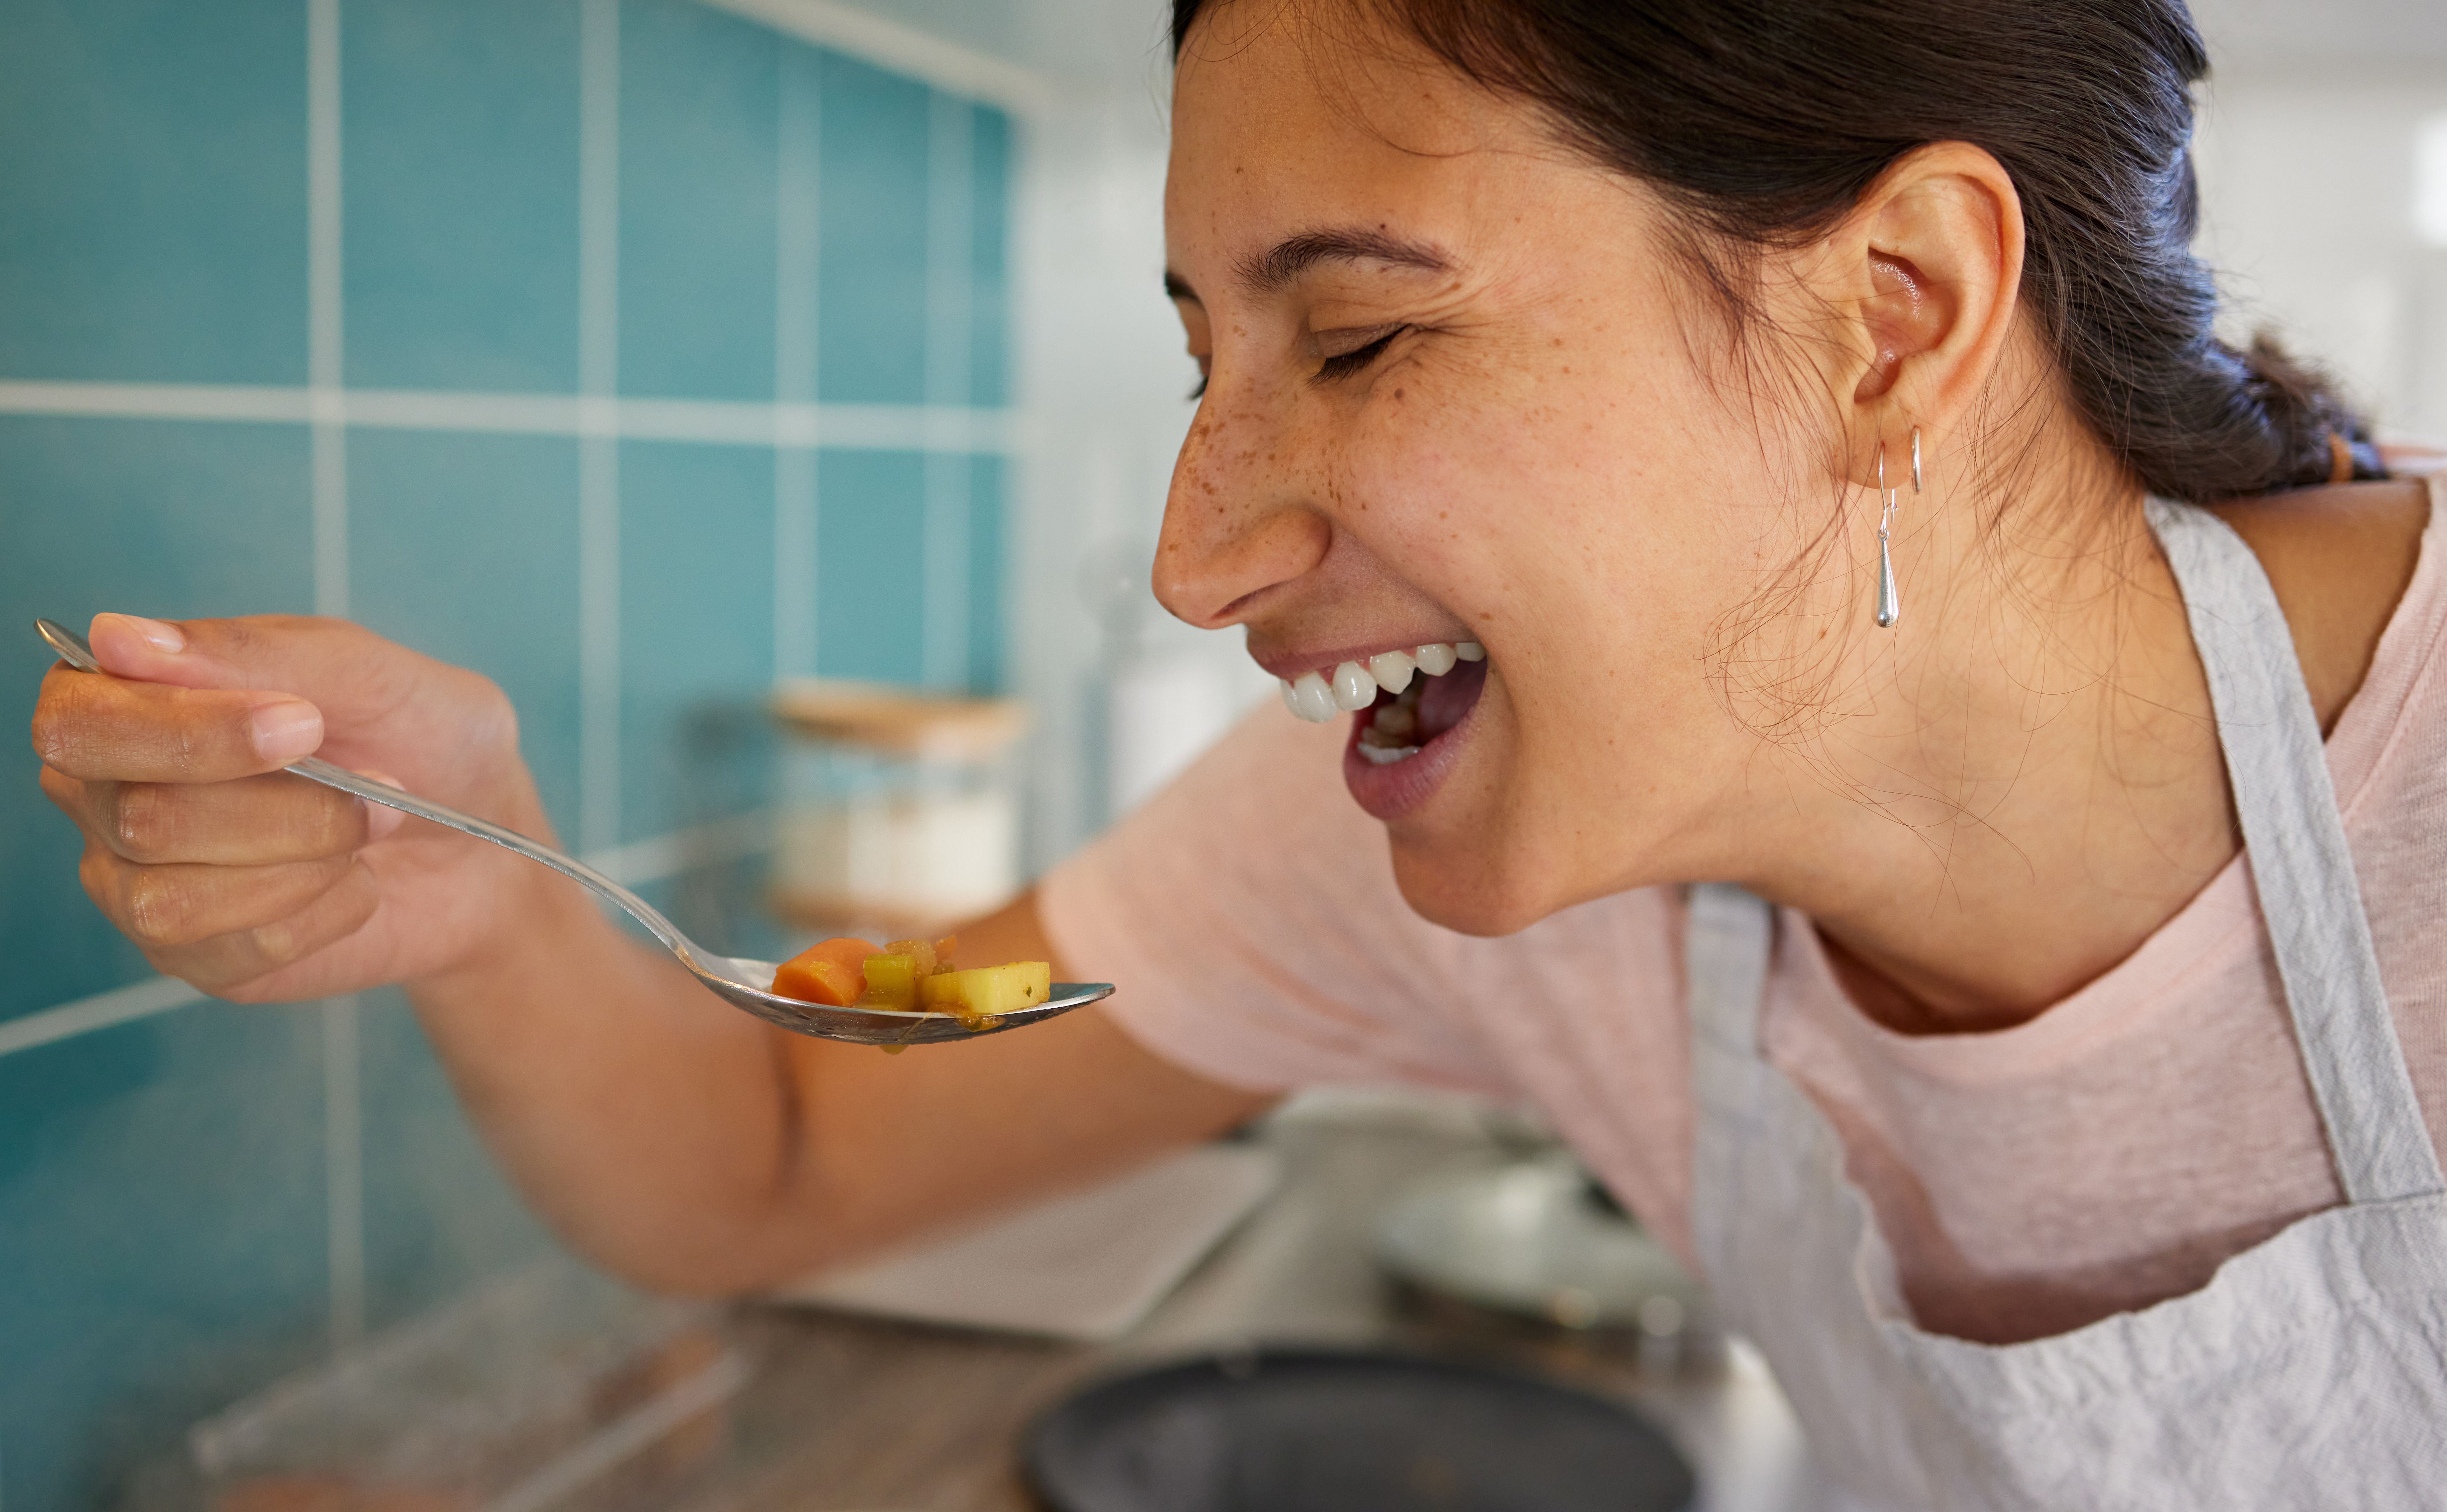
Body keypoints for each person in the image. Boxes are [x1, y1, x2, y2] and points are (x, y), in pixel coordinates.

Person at [32, 0, 2447, 1502]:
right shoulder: (1445, 813)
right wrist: (488, 874)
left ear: (1892, 318)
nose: (1197, 562)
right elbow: (762, 1150)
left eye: (1367, 342)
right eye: (1211, 359)